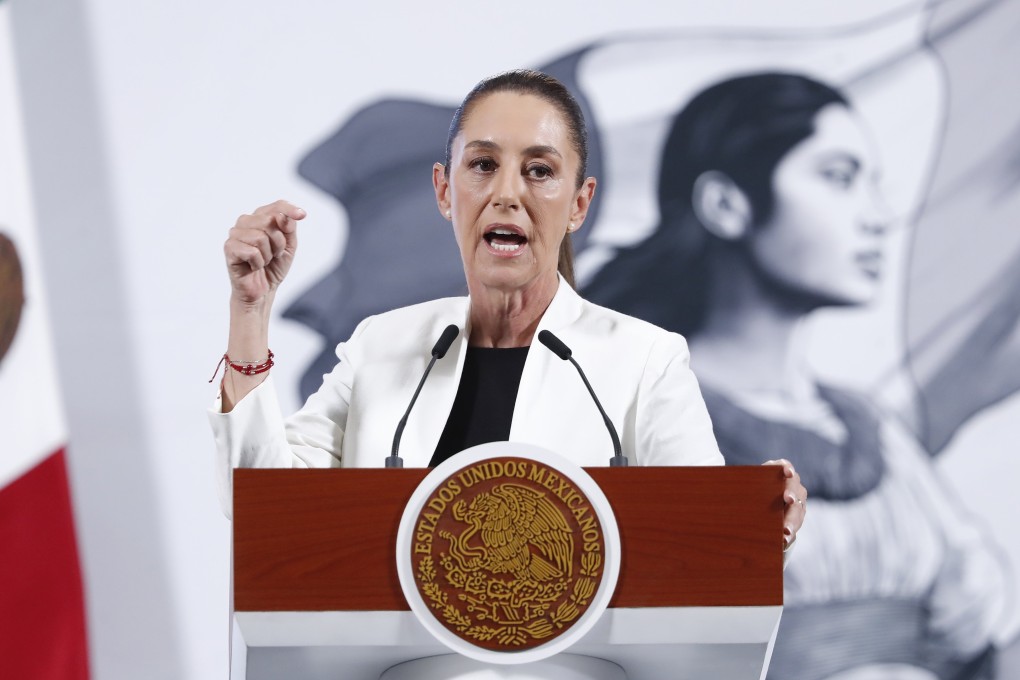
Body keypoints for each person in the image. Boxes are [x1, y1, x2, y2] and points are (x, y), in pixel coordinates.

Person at [207, 70, 807, 554]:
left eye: (540, 171)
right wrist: (251, 313)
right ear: (445, 191)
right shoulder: (379, 348)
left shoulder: (643, 360)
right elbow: (264, 507)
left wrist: (759, 522)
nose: (508, 193)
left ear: (579, 204)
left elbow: (704, 546)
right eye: (483, 165)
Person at [584, 73, 1013, 680]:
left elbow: (974, 634)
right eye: (839, 178)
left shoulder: (872, 429)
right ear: (726, 205)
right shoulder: (634, 419)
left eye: (874, 184)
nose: (878, 216)